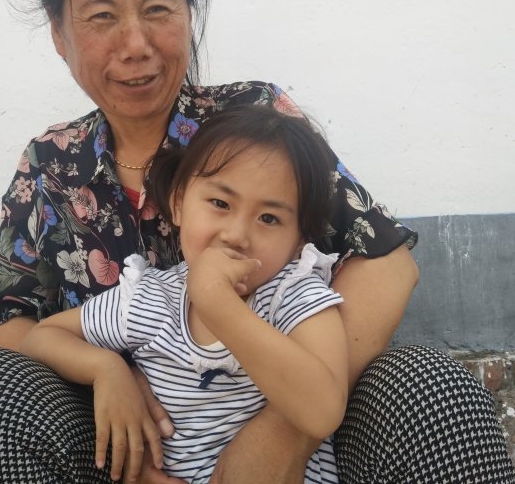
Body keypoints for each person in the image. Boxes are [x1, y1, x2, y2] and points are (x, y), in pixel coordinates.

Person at [0, 0, 515, 484]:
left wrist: (282, 433)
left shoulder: (255, 123)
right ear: (60, 33)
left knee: (430, 388)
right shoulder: (51, 164)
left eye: (158, 9)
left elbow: (385, 263)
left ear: (189, 13)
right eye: (102, 16)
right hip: (113, 441)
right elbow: (0, 326)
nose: (136, 44)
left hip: (294, 424)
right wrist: (112, 379)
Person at [21, 105, 349, 484]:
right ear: (178, 203)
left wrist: (218, 305)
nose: (236, 235)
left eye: (269, 218)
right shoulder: (149, 299)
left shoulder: (294, 295)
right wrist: (106, 369)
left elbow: (323, 412)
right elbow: (41, 338)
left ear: (299, 241)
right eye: (220, 204)